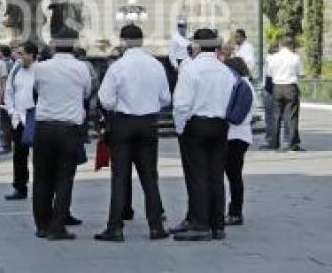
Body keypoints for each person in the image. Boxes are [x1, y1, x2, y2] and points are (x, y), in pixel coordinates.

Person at [94, 25, 171, 242]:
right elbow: (166, 98)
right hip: (148, 123)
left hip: (123, 123)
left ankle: (115, 227)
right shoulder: (156, 65)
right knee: (149, 176)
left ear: (123, 41)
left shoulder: (117, 67)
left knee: (120, 177)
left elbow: (106, 99)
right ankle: (156, 227)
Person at [171, 28, 234, 241]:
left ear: (196, 45)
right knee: (216, 174)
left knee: (197, 175)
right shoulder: (225, 70)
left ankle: (200, 223)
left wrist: (180, 129)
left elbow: (181, 104)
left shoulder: (191, 69)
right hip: (220, 125)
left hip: (196, 125)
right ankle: (218, 224)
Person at [31, 28, 91, 240]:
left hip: (44, 127)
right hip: (68, 128)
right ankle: (57, 226)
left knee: (41, 177)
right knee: (65, 178)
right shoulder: (81, 68)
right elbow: (87, 92)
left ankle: (41, 224)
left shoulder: (40, 68)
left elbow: (36, 90)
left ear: (53, 46)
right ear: (74, 45)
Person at [221, 55, 255, 226]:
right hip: (236, 135)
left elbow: (236, 117)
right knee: (233, 175)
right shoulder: (241, 85)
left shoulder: (242, 86)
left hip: (237, 136)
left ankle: (235, 212)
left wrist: (221, 115)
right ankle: (233, 211)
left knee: (234, 176)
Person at [3, 42, 37, 201]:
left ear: (32, 55)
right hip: (19, 117)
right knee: (19, 155)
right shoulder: (16, 69)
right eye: (18, 53)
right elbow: (9, 91)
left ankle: (41, 187)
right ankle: (20, 187)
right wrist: (11, 111)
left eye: (22, 53)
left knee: (40, 156)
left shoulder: (40, 70)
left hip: (35, 116)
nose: (19, 57)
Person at [264, 36, 304, 152]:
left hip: (277, 87)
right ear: (291, 45)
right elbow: (301, 73)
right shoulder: (295, 57)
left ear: (281, 45)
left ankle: (274, 143)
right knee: (291, 116)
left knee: (276, 116)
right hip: (290, 87)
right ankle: (291, 144)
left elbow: (269, 74)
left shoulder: (273, 58)